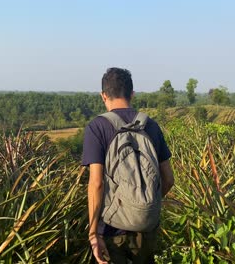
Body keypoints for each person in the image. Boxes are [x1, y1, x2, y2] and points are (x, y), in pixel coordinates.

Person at [82, 67, 175, 264]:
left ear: (103, 95)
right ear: (132, 94)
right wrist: (144, 205)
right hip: (146, 227)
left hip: (111, 228)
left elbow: (96, 183)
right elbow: (168, 179)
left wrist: (93, 233)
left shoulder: (97, 127)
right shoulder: (151, 126)